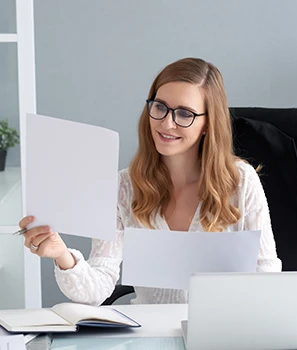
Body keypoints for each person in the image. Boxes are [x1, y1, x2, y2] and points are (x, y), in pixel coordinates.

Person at [19, 57, 282, 306]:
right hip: (149, 334)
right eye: (160, 107)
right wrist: (62, 255)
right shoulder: (124, 186)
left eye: (185, 114)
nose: (167, 123)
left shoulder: (240, 182)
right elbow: (98, 288)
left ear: (208, 124)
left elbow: (266, 277)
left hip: (223, 334)